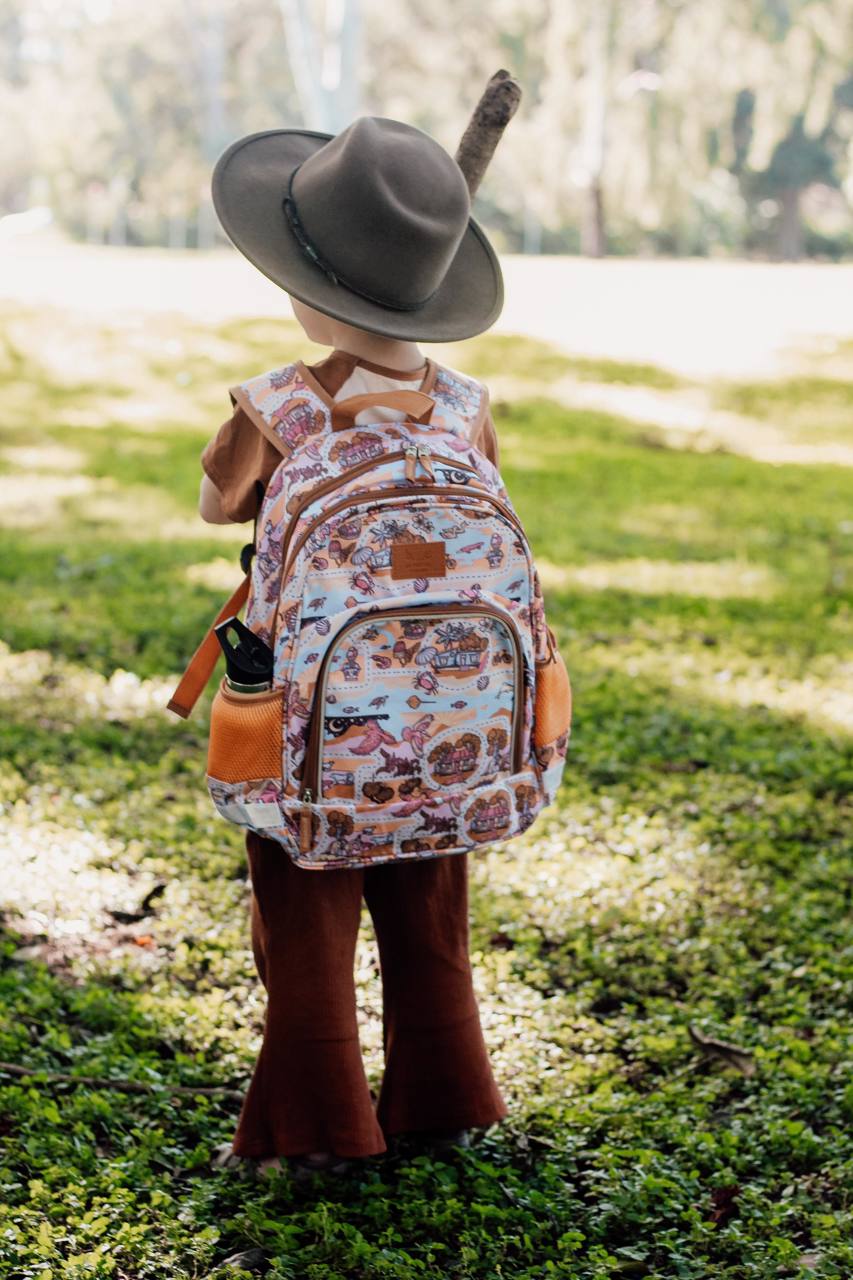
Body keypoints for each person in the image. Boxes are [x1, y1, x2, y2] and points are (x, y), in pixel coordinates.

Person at [199, 116, 508, 1178]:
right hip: (449, 736)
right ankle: (444, 1099)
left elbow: (213, 503)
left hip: (309, 737)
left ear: (303, 287)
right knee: (430, 913)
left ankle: (320, 1126)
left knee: (306, 923)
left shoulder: (280, 402)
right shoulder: (466, 407)